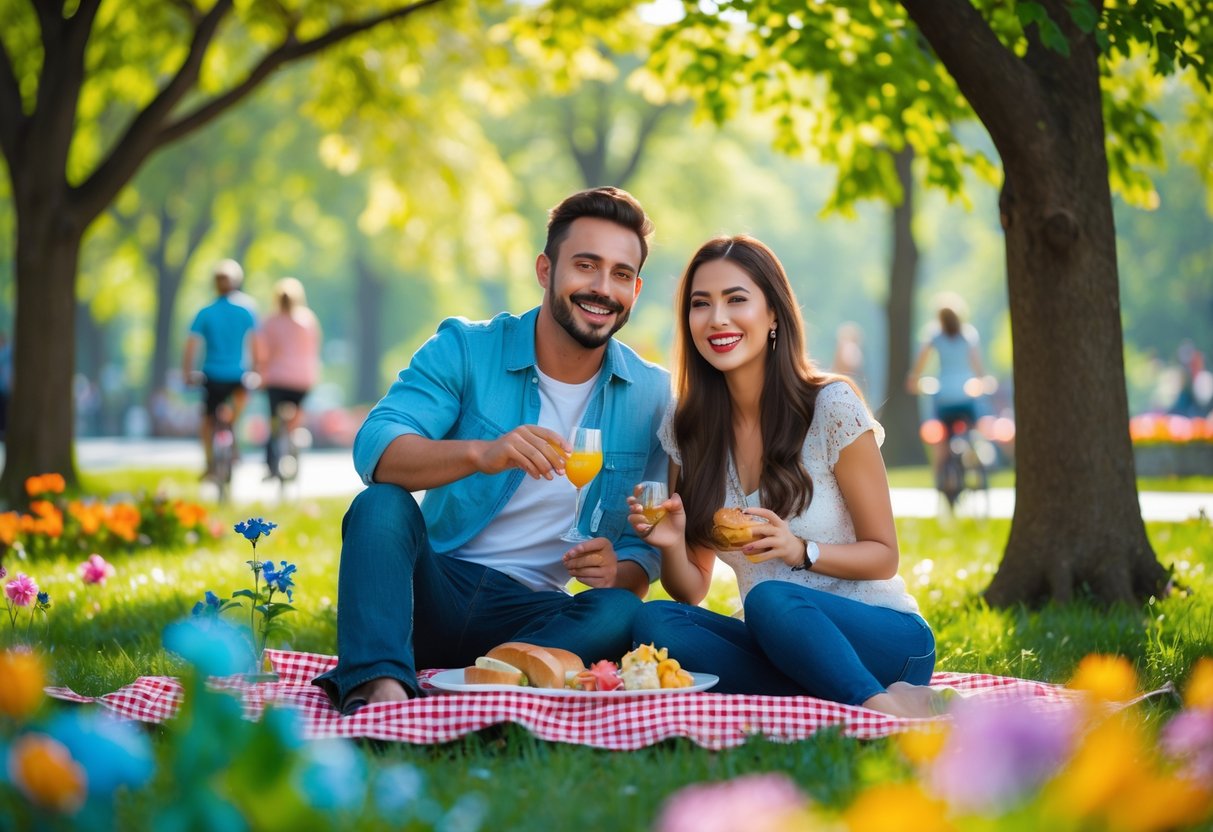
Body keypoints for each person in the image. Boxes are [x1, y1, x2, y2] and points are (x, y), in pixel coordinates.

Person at [313, 186, 671, 712]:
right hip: (434, 586)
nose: (602, 288)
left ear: (636, 290)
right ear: (545, 271)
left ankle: (499, 677)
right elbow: (377, 447)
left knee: (619, 610)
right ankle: (380, 688)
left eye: (620, 274)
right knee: (380, 506)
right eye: (586, 265)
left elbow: (648, 543)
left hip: (537, 616)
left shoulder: (651, 395)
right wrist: (482, 453)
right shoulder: (466, 347)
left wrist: (618, 572)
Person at [628, 235, 942, 718]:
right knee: (656, 621)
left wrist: (801, 551)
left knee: (771, 598)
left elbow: (884, 556)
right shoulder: (687, 427)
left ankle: (881, 708)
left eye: (736, 299)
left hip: (886, 637)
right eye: (700, 304)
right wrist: (670, 543)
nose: (717, 319)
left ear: (773, 313)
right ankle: (828, 693)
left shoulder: (830, 407)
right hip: (772, 636)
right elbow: (691, 588)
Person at [182, 259, 258, 480]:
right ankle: (234, 447)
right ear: (236, 282)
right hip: (238, 375)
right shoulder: (247, 310)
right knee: (235, 413)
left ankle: (209, 464)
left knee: (207, 422)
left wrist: (187, 373)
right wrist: (256, 370)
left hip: (212, 375)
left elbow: (191, 346)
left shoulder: (205, 312)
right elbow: (256, 345)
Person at [905, 293, 986, 476]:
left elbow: (919, 364)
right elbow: (978, 366)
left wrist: (914, 379)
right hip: (966, 395)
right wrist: (982, 380)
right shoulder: (968, 335)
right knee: (973, 427)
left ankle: (940, 474)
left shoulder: (934, 335)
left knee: (941, 435)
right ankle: (976, 452)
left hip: (944, 397)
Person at [254, 277, 323, 478]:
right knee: (295, 417)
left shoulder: (269, 322)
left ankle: (270, 465)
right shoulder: (308, 321)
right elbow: (314, 350)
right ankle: (294, 440)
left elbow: (263, 353)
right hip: (302, 380)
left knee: (274, 421)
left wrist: (260, 372)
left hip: (276, 379)